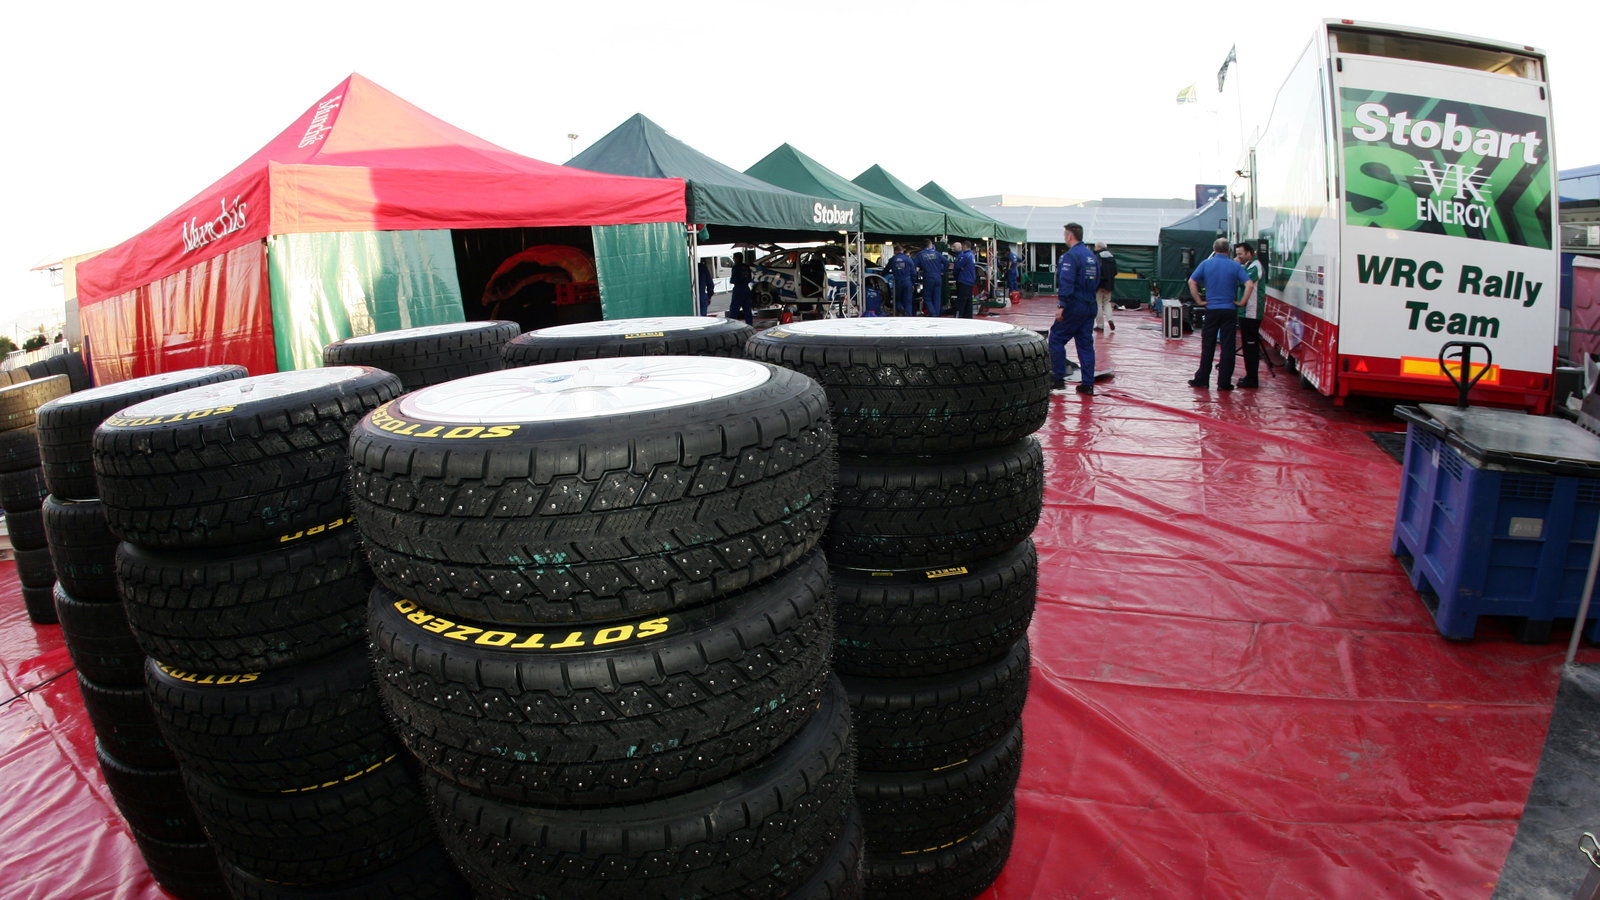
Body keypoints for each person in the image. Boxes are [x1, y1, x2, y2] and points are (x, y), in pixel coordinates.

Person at [1186, 237, 1254, 390]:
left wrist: (1199, 300)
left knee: (1208, 344)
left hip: (1212, 308)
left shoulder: (1206, 264)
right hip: (1229, 309)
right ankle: (1224, 382)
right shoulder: (1235, 266)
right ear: (1229, 250)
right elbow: (1249, 284)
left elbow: (1192, 281)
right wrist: (1242, 302)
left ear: (1214, 248)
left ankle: (1202, 378)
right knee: (1228, 346)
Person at [1049, 222, 1100, 396]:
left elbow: (1066, 282)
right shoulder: (1091, 256)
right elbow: (1098, 280)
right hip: (1090, 304)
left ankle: (1058, 379)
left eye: (1065, 235)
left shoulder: (1070, 257)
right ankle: (1088, 383)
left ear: (1070, 236)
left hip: (1074, 305)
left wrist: (1062, 305)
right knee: (1085, 344)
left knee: (1056, 338)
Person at [1234, 242, 1264, 387]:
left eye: (1240, 254)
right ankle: (1249, 376)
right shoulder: (1248, 266)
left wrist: (1235, 267)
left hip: (1251, 312)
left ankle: (1252, 378)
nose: (1238, 257)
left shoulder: (1255, 266)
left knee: (1250, 345)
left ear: (1249, 253)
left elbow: (1244, 281)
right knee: (1246, 345)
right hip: (1245, 311)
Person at [914, 239, 945, 317]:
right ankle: (937, 315)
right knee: (937, 297)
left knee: (927, 297)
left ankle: (933, 314)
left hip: (928, 277)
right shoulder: (937, 254)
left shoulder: (920, 254)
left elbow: (914, 266)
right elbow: (947, 262)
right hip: (938, 277)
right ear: (930, 244)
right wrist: (942, 271)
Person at [885, 245, 917, 316]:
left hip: (898, 282)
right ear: (902, 251)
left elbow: (886, 270)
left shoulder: (892, 259)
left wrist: (882, 275)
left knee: (897, 300)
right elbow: (913, 273)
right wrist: (913, 283)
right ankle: (908, 315)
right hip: (908, 282)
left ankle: (901, 309)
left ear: (895, 251)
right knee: (908, 301)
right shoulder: (908, 259)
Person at [1093, 242, 1118, 331]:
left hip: (1099, 284)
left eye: (1095, 246)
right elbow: (1115, 271)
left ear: (1099, 247)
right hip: (1109, 284)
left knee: (1098, 304)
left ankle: (1100, 325)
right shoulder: (1111, 257)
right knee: (1107, 302)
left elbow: (1095, 270)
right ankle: (1110, 319)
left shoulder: (1096, 257)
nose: (1094, 248)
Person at [952, 240, 977, 318]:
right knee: (968, 300)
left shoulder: (965, 255)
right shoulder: (971, 255)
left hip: (964, 280)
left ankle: (958, 316)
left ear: (965, 246)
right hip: (970, 280)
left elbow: (957, 266)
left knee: (961, 301)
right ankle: (968, 316)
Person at [728, 251, 754, 325]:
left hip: (738, 289)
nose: (733, 259)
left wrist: (732, 280)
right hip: (746, 288)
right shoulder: (746, 267)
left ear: (737, 258)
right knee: (747, 309)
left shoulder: (736, 267)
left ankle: (732, 325)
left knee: (734, 309)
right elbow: (750, 278)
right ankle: (750, 325)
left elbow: (733, 279)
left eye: (734, 257)